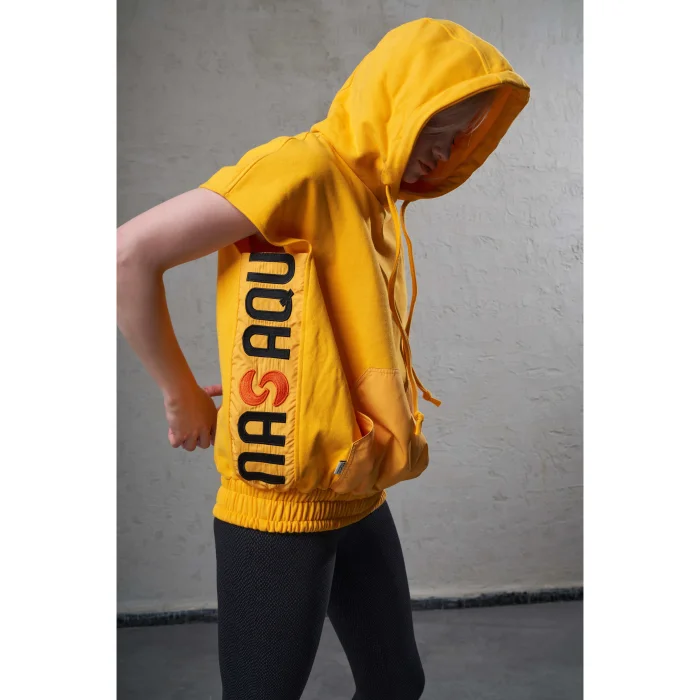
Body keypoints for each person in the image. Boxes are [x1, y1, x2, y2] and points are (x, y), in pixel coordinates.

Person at [117, 17, 529, 700]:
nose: (444, 152)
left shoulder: (373, 203)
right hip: (278, 503)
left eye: (462, 136)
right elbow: (129, 254)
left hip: (353, 482)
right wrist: (179, 392)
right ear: (393, 103)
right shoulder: (299, 168)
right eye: (436, 127)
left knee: (396, 683)